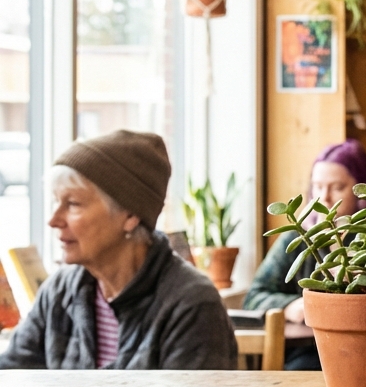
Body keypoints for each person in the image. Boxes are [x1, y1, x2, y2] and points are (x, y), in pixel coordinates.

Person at [0, 130, 236, 369]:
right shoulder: (59, 291)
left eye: (72, 204)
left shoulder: (192, 304)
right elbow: (10, 378)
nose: (53, 220)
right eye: (55, 201)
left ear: (130, 215)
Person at [243, 140, 366, 370]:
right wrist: (292, 306)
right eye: (317, 187)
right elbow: (253, 297)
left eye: (336, 187)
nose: (324, 197)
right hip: (307, 356)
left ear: (360, 190)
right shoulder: (298, 237)